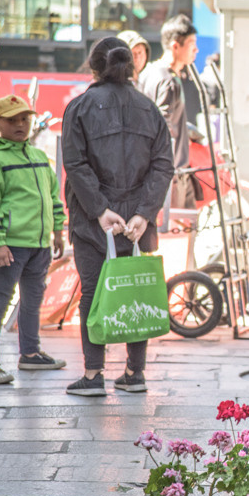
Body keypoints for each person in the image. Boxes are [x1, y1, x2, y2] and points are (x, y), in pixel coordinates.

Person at [61, 37, 174, 397]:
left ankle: (93, 375)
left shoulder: (78, 108)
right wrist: (144, 212)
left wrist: (99, 210)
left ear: (93, 67)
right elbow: (163, 165)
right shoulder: (150, 109)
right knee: (135, 288)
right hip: (138, 223)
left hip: (93, 221)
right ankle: (133, 373)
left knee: (93, 293)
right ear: (132, 68)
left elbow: (75, 164)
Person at [0, 95, 67, 384]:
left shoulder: (39, 157)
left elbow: (53, 197)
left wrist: (59, 230)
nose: (20, 124)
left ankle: (30, 354)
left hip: (39, 246)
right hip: (10, 246)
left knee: (32, 300)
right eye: (12, 120)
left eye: (24, 118)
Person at [138, 14, 198, 209]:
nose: (195, 49)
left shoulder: (148, 72)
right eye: (191, 43)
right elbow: (164, 129)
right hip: (171, 174)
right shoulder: (168, 81)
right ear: (175, 46)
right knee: (178, 231)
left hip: (161, 172)